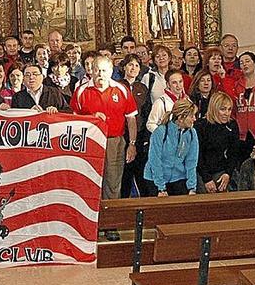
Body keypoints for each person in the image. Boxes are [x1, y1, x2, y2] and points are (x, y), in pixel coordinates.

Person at [71, 56, 138, 203]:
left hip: (114, 142)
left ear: (111, 71)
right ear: (91, 71)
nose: (100, 74)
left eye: (103, 70)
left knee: (113, 183)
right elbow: (75, 122)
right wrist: (92, 118)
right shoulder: (81, 91)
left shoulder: (121, 90)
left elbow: (131, 119)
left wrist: (132, 144)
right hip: (90, 143)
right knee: (91, 182)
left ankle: (111, 221)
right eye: (97, 70)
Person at [144, 99, 198, 197]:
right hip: (155, 180)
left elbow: (192, 161)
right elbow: (155, 161)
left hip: (178, 178)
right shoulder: (161, 132)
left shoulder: (192, 133)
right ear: (181, 118)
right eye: (191, 116)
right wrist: (161, 188)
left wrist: (192, 187)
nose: (194, 119)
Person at [223, 51, 255, 158]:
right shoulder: (236, 85)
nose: (244, 64)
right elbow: (233, 109)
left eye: (247, 61)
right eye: (241, 63)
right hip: (242, 135)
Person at [195, 92, 241, 194]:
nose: (227, 113)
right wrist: (206, 179)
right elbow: (197, 155)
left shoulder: (232, 125)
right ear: (214, 109)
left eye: (229, 109)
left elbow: (234, 153)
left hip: (221, 170)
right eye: (223, 109)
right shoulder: (200, 126)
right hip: (201, 171)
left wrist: (228, 173)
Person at [119, 54, 151, 198]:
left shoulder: (142, 88)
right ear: (124, 67)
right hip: (122, 134)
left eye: (137, 65)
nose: (133, 68)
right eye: (130, 64)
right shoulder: (117, 85)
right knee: (124, 174)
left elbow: (146, 112)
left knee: (140, 173)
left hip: (139, 135)